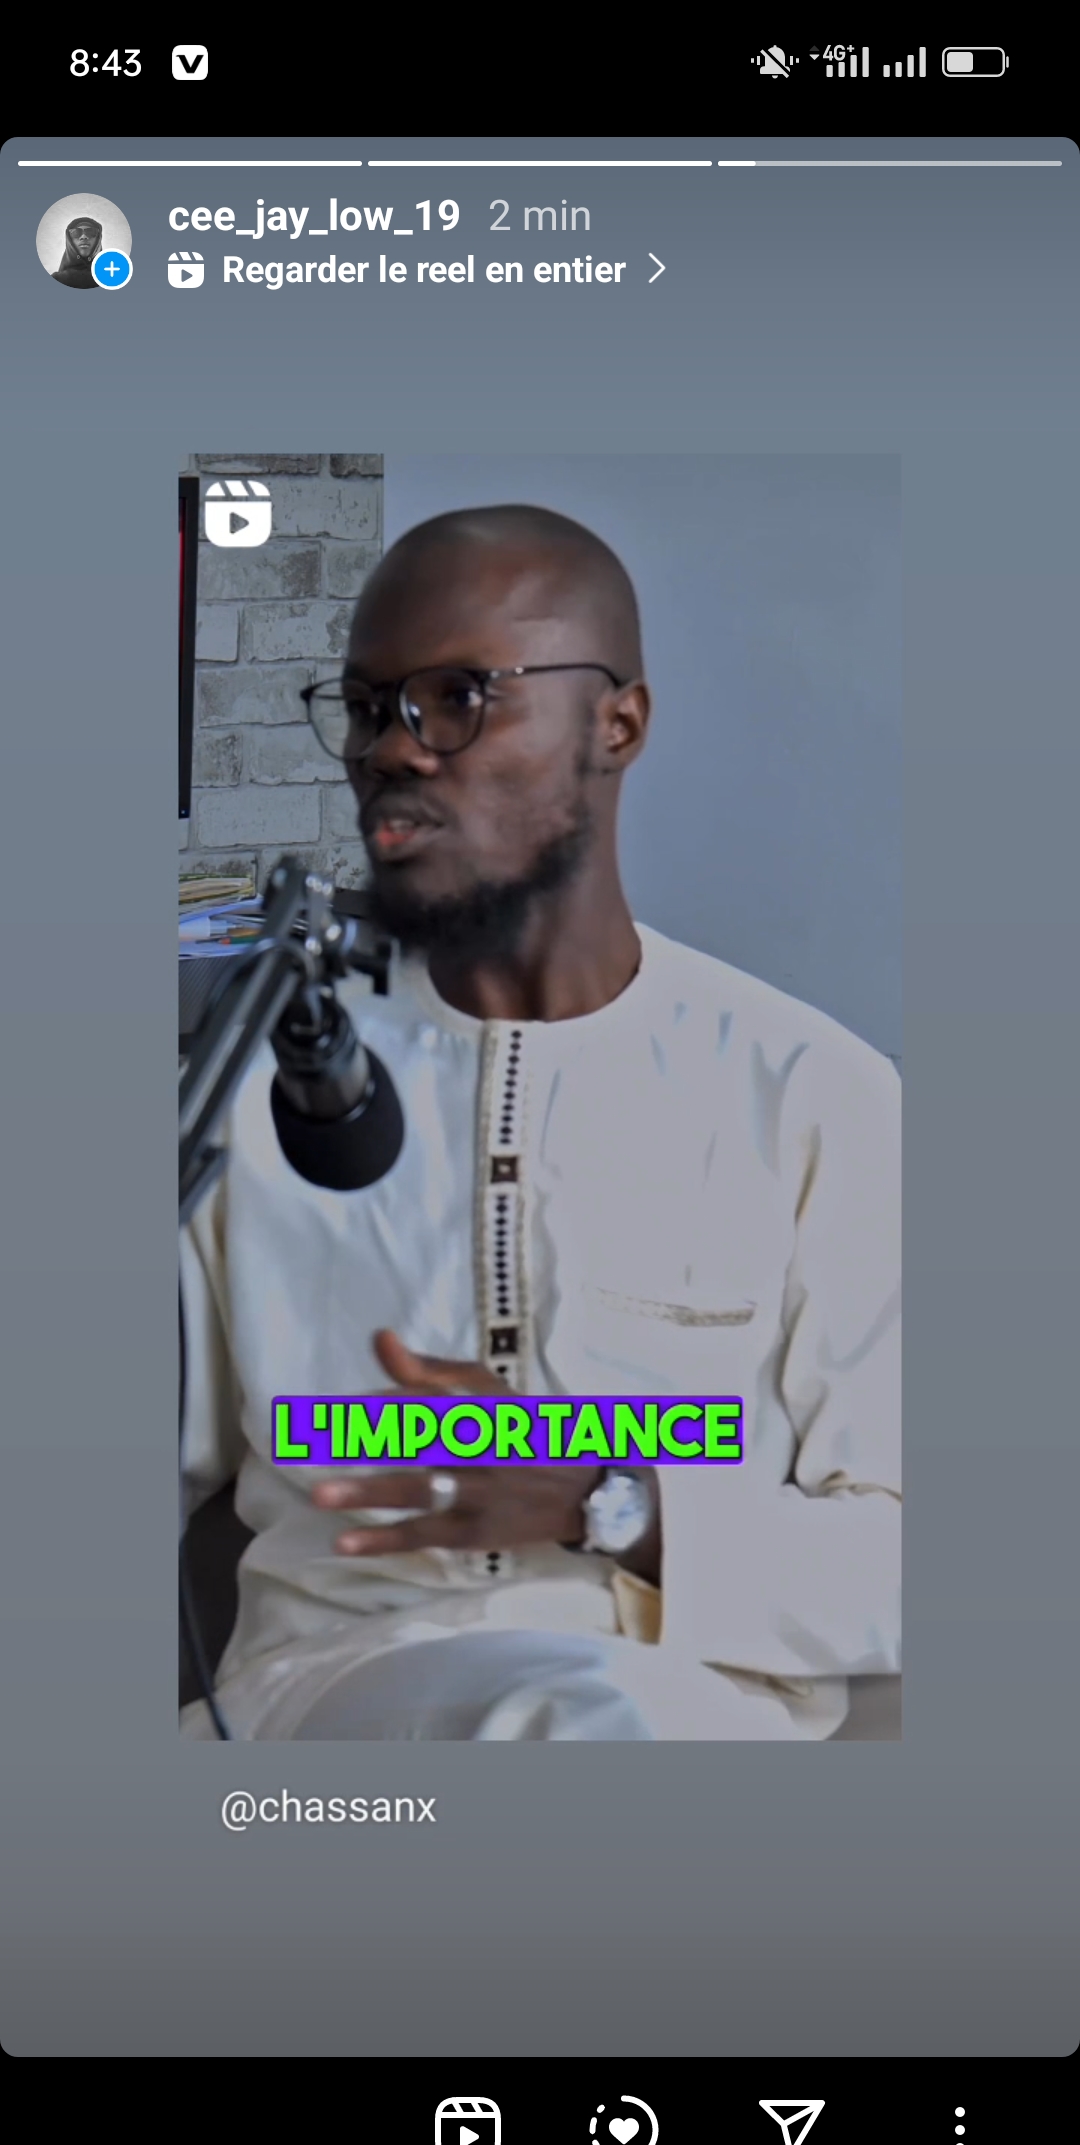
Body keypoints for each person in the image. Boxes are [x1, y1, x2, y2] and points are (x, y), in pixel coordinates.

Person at [180, 503, 900, 1741]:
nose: (392, 750)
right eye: (367, 708)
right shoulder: (256, 1086)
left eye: (458, 698)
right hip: (333, 1699)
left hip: (705, 1709)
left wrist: (606, 1500)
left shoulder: (811, 1095)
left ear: (618, 724)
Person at [51, 217, 103, 287]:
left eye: (91, 232)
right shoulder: (56, 280)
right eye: (76, 233)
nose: (83, 236)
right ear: (70, 241)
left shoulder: (111, 279)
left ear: (98, 239)